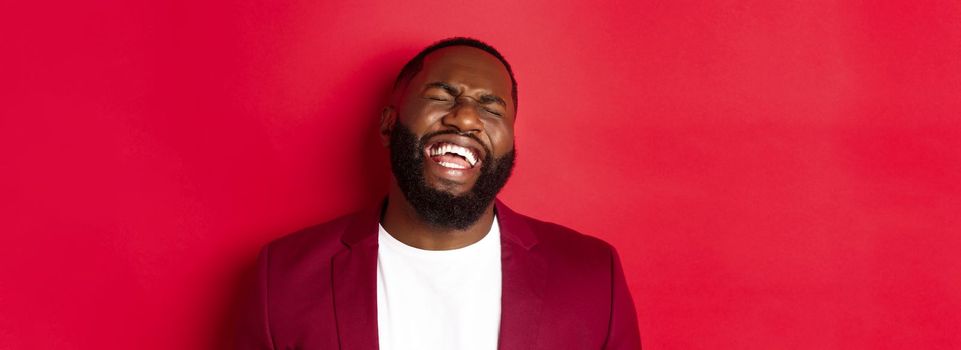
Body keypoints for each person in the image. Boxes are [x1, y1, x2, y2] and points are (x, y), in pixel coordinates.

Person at [237, 37, 641, 350]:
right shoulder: (285, 278)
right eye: (441, 95)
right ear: (388, 125)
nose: (465, 117)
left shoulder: (592, 276)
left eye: (491, 107)